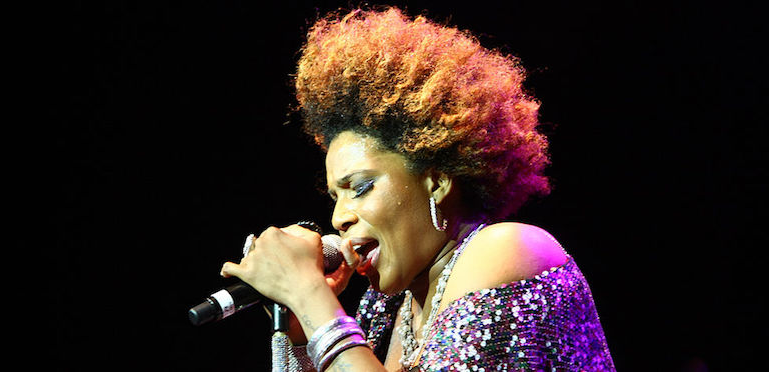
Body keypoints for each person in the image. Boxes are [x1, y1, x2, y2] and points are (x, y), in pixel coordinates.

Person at [221, 7, 615, 371]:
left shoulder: (510, 249)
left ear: (438, 180)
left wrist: (311, 296)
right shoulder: (388, 307)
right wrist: (302, 331)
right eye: (334, 197)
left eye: (360, 187)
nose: (338, 217)